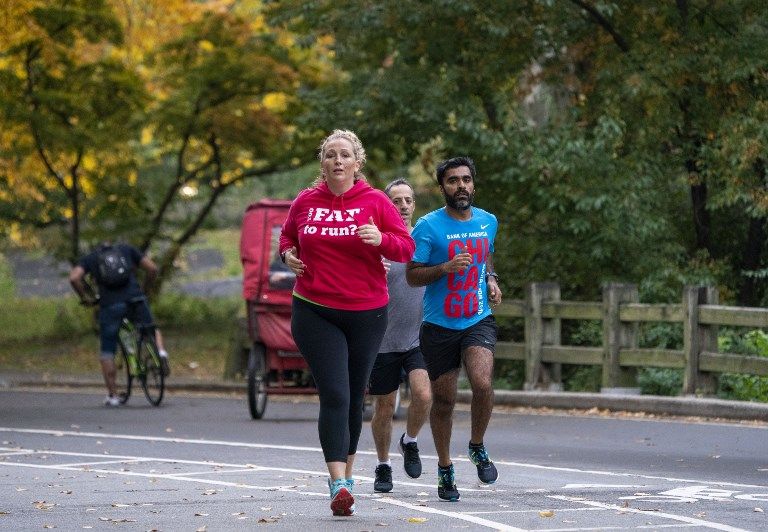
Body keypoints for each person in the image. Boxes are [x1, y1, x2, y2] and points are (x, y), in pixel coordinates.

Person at [279, 129, 415, 516]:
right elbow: (287, 240)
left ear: (358, 163)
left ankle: (348, 480)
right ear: (322, 163)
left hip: (367, 313)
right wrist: (287, 255)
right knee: (336, 393)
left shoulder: (375, 201)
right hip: (314, 308)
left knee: (355, 397)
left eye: (344, 155)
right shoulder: (306, 201)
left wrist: (380, 239)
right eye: (330, 155)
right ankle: (337, 480)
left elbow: (406, 246)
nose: (337, 161)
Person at [405, 156, 503, 502]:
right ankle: (445, 468)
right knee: (444, 401)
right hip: (439, 325)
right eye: (452, 181)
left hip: (477, 317)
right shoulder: (428, 227)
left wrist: (491, 279)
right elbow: (412, 275)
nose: (461, 186)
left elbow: (486, 253)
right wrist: (445, 267)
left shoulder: (488, 221)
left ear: (473, 184)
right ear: (443, 187)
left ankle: (476, 445)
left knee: (482, 382)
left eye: (466, 180)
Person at [369, 178, 432, 493]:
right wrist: (370, 271)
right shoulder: (378, 241)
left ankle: (410, 440)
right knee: (384, 405)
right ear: (386, 206)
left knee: (423, 395)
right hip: (382, 341)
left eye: (408, 200)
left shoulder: (424, 239)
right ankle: (383, 465)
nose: (404, 206)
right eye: (396, 201)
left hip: (416, 338)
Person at [69, 241, 171, 407]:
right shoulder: (127, 249)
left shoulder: (91, 258)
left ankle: (113, 396)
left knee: (107, 350)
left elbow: (74, 278)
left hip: (110, 306)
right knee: (151, 328)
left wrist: (85, 297)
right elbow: (152, 268)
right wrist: (146, 290)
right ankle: (160, 353)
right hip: (135, 299)